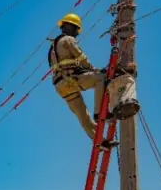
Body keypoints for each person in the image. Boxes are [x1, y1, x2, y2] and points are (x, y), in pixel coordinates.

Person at [48, 13, 119, 150]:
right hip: (71, 80)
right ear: (69, 26)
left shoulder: (53, 47)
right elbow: (81, 59)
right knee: (100, 79)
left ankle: (100, 142)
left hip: (60, 86)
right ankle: (99, 113)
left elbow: (66, 64)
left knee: (83, 117)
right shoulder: (68, 40)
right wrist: (94, 70)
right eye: (76, 29)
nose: (77, 34)